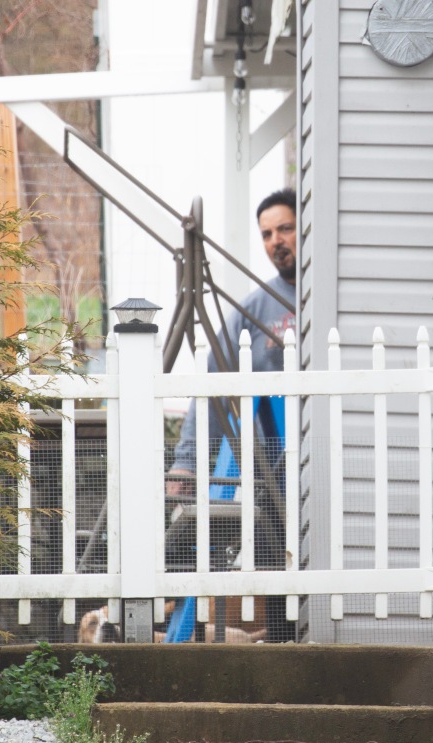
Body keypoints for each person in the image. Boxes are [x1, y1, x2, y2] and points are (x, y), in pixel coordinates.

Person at [166, 188, 297, 642]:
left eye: (285, 228)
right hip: (269, 467)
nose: (275, 241)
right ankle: (283, 643)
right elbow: (213, 384)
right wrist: (186, 459)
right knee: (274, 558)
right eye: (266, 234)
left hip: (320, 459)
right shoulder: (254, 308)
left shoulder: (329, 295)